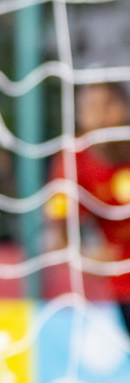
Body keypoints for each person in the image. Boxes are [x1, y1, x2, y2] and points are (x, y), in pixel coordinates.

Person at [48, 81, 130, 332]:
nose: (100, 117)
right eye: (90, 108)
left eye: (108, 105)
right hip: (123, 282)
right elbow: (56, 240)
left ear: (126, 108)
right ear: (79, 116)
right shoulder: (73, 163)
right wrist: (89, 258)